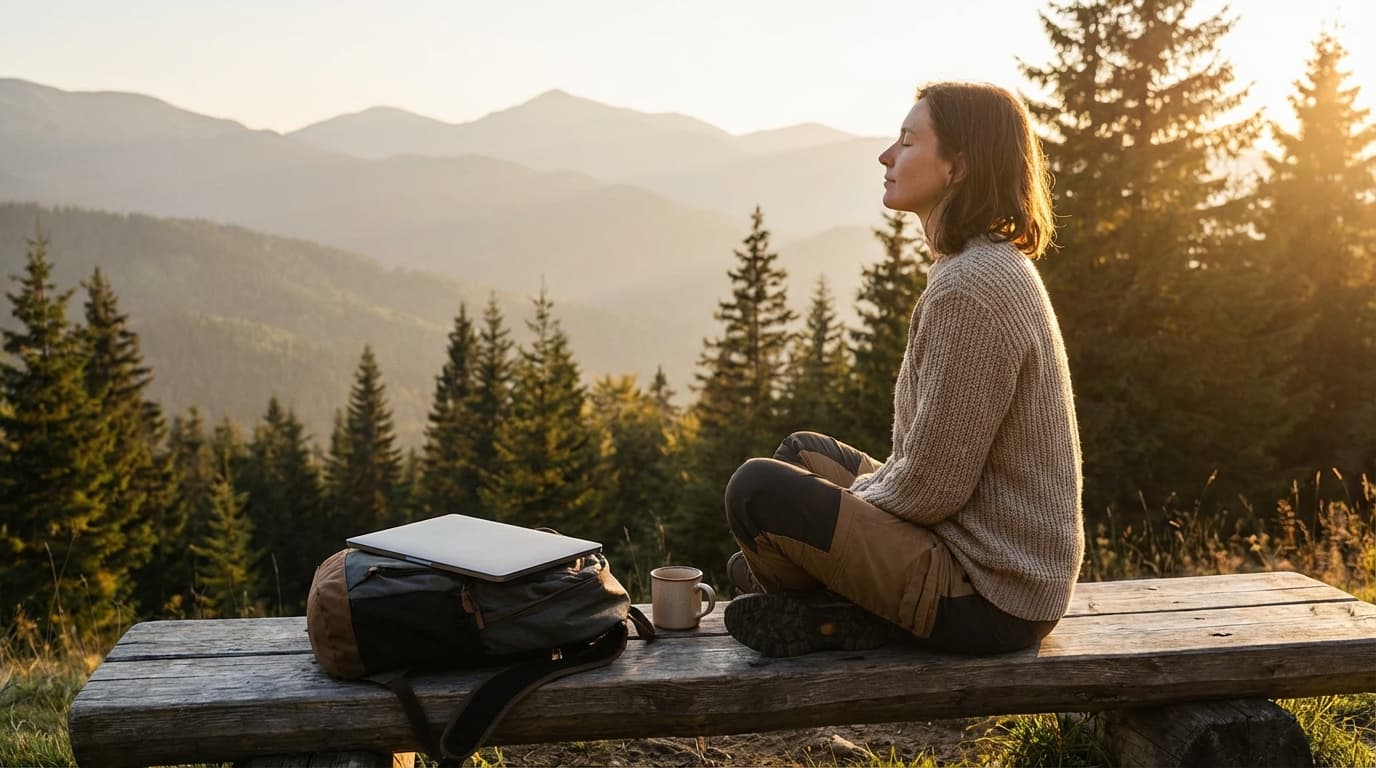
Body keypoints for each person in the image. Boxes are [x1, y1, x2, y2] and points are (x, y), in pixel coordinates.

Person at [721, 81, 1083, 658]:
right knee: (802, 455)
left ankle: (839, 614)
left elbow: (932, 486)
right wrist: (843, 501)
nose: (886, 156)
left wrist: (850, 503)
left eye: (908, 141)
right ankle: (825, 598)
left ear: (957, 168)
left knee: (757, 492)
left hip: (990, 596)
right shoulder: (976, 266)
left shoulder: (973, 288)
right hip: (975, 553)